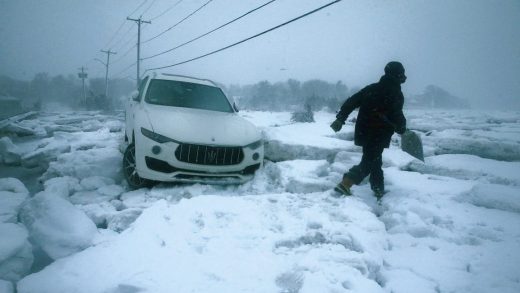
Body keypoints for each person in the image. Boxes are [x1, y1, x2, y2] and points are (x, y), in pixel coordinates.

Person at [330, 61, 407, 198]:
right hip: (379, 133)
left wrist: (341, 118)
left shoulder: (372, 88)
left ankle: (378, 189)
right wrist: (402, 127)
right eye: (402, 74)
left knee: (375, 160)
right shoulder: (395, 93)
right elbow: (397, 114)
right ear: (398, 75)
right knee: (369, 162)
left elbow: (351, 101)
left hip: (364, 131)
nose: (404, 77)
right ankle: (346, 184)